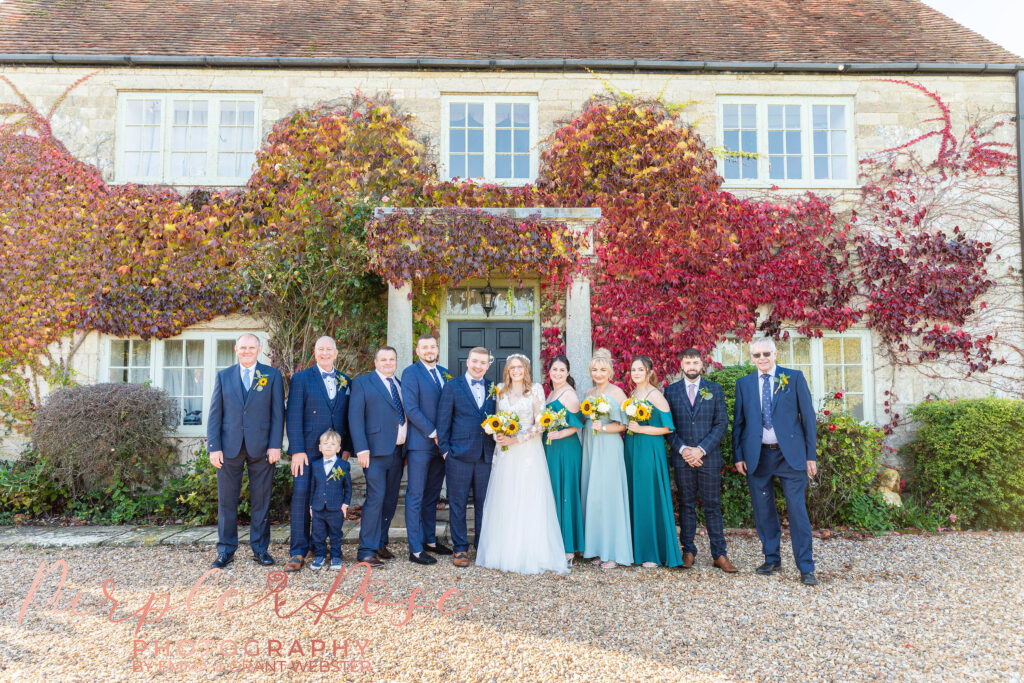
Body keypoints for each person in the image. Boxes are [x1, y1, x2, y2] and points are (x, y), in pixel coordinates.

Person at [733, 338, 819, 585]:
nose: (762, 359)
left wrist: (810, 455)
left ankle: (806, 567)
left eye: (766, 354)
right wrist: (739, 455)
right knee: (763, 511)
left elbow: (808, 418)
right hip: (757, 456)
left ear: (775, 353)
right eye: (757, 355)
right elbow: (739, 424)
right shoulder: (744, 384)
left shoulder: (793, 377)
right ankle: (772, 559)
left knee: (797, 511)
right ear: (751, 358)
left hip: (790, 455)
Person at [476, 354, 569, 574]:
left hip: (528, 451)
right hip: (506, 453)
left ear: (526, 369)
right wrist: (497, 435)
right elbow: (496, 419)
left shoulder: (535, 390)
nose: (515, 371)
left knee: (528, 497)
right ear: (507, 370)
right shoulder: (500, 390)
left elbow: (541, 424)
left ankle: (531, 553)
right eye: (511, 367)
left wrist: (516, 439)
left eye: (519, 367)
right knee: (506, 497)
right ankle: (504, 552)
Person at [206, 333, 284, 569]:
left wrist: (275, 445)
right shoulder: (224, 376)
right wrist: (214, 447)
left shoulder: (271, 375)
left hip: (262, 447)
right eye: (243, 347)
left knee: (261, 501)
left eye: (252, 347)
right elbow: (215, 413)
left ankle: (260, 550)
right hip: (229, 447)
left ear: (259, 349)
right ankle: (226, 551)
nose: (247, 351)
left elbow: (278, 413)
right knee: (226, 502)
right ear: (236, 349)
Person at [283, 335, 352, 573]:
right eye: (320, 349)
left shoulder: (345, 380)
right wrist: (297, 451)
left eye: (329, 349)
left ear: (336, 352)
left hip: (335, 453)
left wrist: (347, 450)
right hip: (308, 450)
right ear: (315, 352)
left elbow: (346, 418)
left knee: (331, 498)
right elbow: (293, 416)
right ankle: (298, 551)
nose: (325, 353)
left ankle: (321, 546)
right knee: (302, 496)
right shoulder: (301, 379)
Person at [665, 348, 735, 572]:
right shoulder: (671, 391)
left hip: (708, 458)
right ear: (682, 365)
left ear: (702, 364)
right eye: (688, 362)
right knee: (686, 505)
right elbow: (668, 426)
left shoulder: (714, 389)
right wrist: (685, 450)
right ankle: (688, 551)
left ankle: (719, 554)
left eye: (695, 362)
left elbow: (721, 424)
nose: (692, 366)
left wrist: (701, 450)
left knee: (712, 505)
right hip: (682, 458)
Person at [436, 347, 496, 568]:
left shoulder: (494, 388)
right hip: (458, 456)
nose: (478, 366)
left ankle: (482, 547)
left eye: (483, 363)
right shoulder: (452, 387)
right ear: (467, 361)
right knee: (458, 504)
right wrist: (445, 451)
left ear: (488, 365)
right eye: (475, 361)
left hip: (485, 456)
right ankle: (460, 549)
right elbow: (443, 422)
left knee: (484, 505)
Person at [348, 346, 407, 570]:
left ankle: (381, 542)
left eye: (392, 359)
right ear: (375, 362)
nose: (388, 363)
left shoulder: (399, 384)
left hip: (397, 452)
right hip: (373, 453)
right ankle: (366, 550)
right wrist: (361, 449)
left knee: (390, 500)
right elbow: (355, 417)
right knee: (376, 498)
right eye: (383, 359)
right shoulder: (363, 383)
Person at [623, 355, 683, 568]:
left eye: (640, 370)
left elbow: (668, 427)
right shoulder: (632, 393)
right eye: (633, 370)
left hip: (649, 449)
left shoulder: (655, 395)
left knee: (648, 496)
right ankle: (635, 549)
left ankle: (652, 552)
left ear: (649, 372)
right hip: (632, 448)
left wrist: (641, 429)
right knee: (635, 495)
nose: (636, 373)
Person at [400, 334, 453, 565]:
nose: (429, 350)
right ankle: (415, 549)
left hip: (440, 447)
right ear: (418, 351)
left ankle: (429, 541)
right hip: (421, 444)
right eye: (424, 347)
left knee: (432, 495)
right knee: (415, 495)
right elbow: (411, 409)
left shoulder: (444, 373)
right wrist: (434, 433)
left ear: (437, 349)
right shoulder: (411, 373)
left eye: (432, 346)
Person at [580, 349, 633, 569]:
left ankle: (613, 552)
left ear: (610, 371)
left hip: (609, 446)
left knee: (609, 495)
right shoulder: (588, 393)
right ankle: (596, 548)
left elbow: (624, 425)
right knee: (594, 496)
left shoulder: (618, 392)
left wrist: (605, 427)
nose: (598, 373)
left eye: (602, 369)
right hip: (591, 446)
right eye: (594, 369)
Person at [543, 356, 585, 564]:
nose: (557, 373)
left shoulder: (569, 394)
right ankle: (555, 542)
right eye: (554, 369)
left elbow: (577, 425)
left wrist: (559, 435)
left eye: (562, 370)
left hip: (566, 450)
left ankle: (569, 548)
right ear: (549, 371)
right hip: (551, 449)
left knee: (565, 494)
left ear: (568, 372)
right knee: (553, 493)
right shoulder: (551, 392)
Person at [309, 429, 352, 571]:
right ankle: (320, 555)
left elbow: (348, 487)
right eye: (325, 443)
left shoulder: (343, 466)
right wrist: (311, 505)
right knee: (318, 534)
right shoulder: (315, 465)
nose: (328, 446)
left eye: (332, 444)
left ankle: (336, 556)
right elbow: (312, 487)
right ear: (320, 447)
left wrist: (345, 505)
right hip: (318, 507)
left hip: (336, 508)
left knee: (336, 534)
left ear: (339, 448)